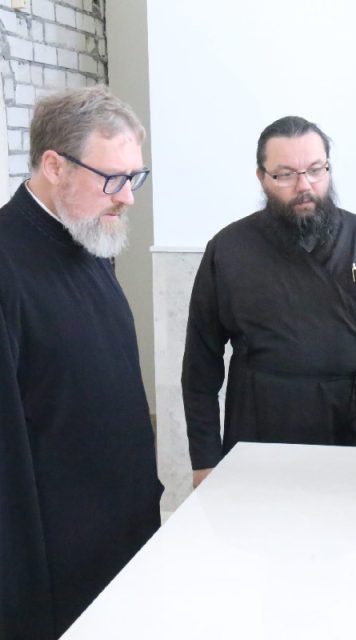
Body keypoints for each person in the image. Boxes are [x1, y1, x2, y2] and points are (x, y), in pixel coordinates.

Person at [0, 86, 162, 639]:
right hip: (57, 561)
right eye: (113, 179)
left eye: (135, 177)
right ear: (54, 166)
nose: (128, 198)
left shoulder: (89, 241)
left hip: (121, 534)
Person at [182, 116, 356, 487]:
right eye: (285, 175)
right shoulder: (229, 249)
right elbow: (200, 365)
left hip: (354, 427)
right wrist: (204, 461)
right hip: (261, 428)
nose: (304, 186)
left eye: (315, 170)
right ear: (261, 177)